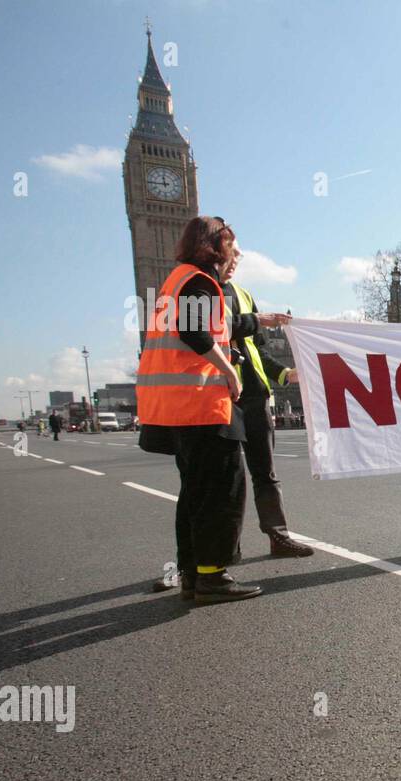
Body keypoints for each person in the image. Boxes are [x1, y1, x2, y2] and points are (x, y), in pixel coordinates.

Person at [136, 215, 260, 604]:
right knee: (221, 492)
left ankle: (192, 573)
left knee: (194, 493)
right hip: (202, 406)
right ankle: (212, 577)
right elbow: (194, 334)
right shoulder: (198, 281)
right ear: (214, 246)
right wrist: (230, 372)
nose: (236, 255)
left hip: (177, 409)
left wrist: (231, 349)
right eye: (232, 247)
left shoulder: (175, 282)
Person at [220, 250, 313, 559]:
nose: (235, 260)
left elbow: (258, 348)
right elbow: (203, 332)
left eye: (237, 255)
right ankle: (222, 550)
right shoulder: (200, 288)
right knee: (225, 477)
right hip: (221, 396)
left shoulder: (244, 293)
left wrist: (285, 374)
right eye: (229, 253)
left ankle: (278, 535)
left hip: (256, 396)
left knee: (265, 472)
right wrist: (256, 319)